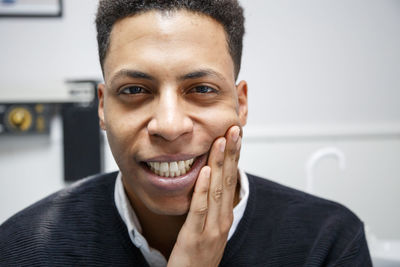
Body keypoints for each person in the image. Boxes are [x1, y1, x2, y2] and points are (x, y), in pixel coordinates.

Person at [0, 0, 372, 266]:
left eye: (201, 89)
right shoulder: (22, 248)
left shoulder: (328, 243)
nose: (169, 125)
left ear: (240, 105)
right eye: (134, 90)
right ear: (102, 107)